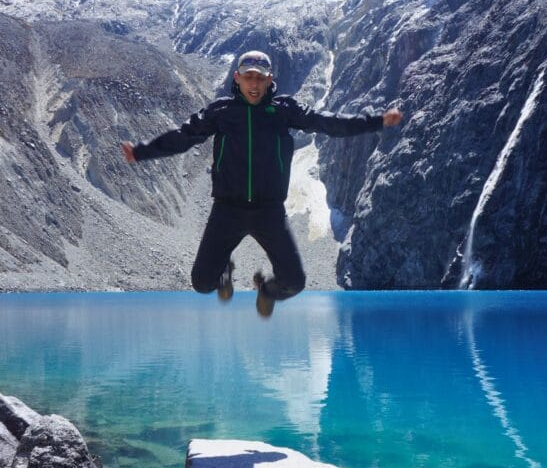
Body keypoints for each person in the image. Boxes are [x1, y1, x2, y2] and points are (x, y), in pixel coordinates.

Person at [122, 50, 403, 317]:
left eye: (260, 78)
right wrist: (142, 151)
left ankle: (267, 290)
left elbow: (328, 123)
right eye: (248, 77)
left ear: (270, 80)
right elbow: (183, 137)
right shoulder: (221, 112)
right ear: (237, 78)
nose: (254, 84)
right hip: (227, 210)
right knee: (202, 283)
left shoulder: (284, 110)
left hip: (269, 212)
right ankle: (224, 273)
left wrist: (376, 121)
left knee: (294, 282)